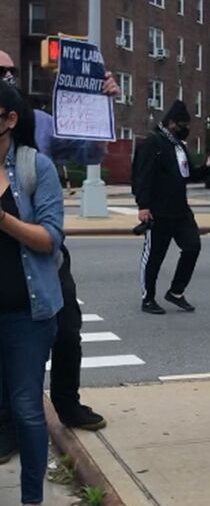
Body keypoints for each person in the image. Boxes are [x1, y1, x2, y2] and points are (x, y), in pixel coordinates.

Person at [0, 49, 117, 436]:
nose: (7, 77)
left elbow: (88, 150)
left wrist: (100, 107)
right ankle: (8, 426)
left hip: (45, 258)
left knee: (67, 333)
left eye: (11, 71)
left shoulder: (45, 124)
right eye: (0, 72)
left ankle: (68, 404)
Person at [0, 81, 64, 506]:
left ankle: (30, 501)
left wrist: (2, 219)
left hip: (27, 313)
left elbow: (49, 239)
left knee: (25, 406)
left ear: (9, 120)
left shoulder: (34, 168)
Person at [132, 99, 210, 314]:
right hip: (158, 211)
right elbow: (142, 175)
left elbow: (188, 174)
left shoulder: (179, 146)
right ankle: (147, 298)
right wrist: (143, 206)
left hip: (181, 211)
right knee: (154, 256)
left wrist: (206, 168)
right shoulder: (153, 143)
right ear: (171, 124)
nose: (186, 130)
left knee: (192, 246)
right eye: (183, 125)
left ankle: (176, 292)